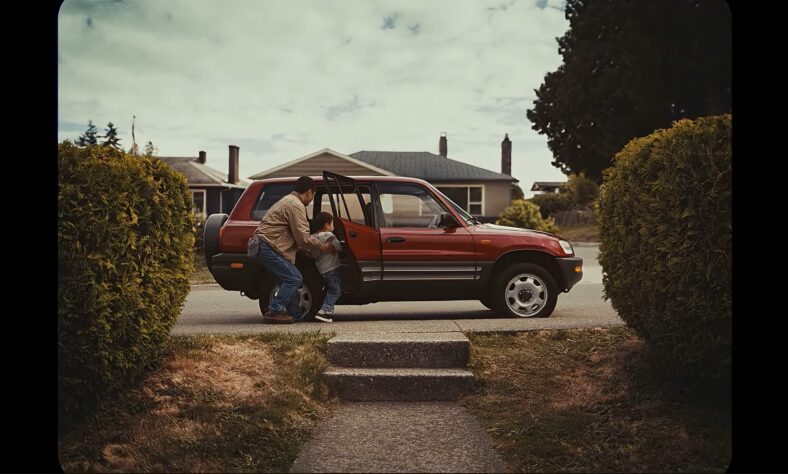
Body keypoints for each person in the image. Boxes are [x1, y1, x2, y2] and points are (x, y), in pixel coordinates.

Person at [252, 176, 334, 324]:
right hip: (267, 247)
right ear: (309, 192)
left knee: (288, 281)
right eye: (313, 196)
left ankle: (295, 315)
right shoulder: (295, 205)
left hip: (266, 247)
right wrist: (322, 247)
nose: (311, 200)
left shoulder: (288, 201)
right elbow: (302, 237)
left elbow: (296, 237)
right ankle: (274, 311)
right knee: (294, 278)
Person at [312, 212, 343, 322]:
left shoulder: (313, 236)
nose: (333, 226)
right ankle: (324, 311)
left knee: (331, 288)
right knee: (336, 290)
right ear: (326, 225)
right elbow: (339, 247)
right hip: (331, 268)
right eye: (332, 224)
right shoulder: (329, 236)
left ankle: (328, 311)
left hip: (322, 269)